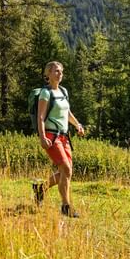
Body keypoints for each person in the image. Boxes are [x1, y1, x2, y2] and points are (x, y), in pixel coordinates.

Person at [34, 61, 85, 217]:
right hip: (51, 136)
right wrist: (42, 137)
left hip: (64, 137)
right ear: (48, 74)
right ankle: (66, 207)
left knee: (66, 172)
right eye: (56, 71)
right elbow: (41, 117)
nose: (59, 74)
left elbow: (67, 113)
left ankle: (41, 188)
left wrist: (78, 125)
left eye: (61, 71)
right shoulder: (45, 93)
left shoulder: (63, 91)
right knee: (66, 169)